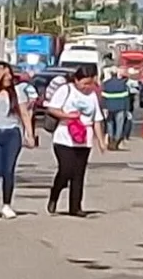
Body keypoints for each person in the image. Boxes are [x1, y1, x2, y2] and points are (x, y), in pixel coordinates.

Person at [45, 64, 106, 216]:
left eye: (90, 83)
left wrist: (101, 140)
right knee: (66, 170)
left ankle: (75, 207)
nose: (87, 87)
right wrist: (68, 116)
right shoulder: (66, 90)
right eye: (85, 83)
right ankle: (55, 193)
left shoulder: (92, 95)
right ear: (77, 80)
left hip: (84, 139)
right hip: (64, 137)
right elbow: (52, 108)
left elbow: (97, 119)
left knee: (78, 173)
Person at [0, 62, 36, 220]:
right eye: (4, 74)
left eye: (8, 74)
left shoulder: (17, 92)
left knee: (8, 170)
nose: (7, 77)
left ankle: (7, 204)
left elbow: (24, 114)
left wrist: (29, 134)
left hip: (12, 133)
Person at [100, 69, 133, 150]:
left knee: (109, 124)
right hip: (120, 107)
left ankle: (111, 139)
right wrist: (128, 109)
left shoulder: (106, 84)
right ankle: (116, 141)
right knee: (119, 125)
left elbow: (103, 97)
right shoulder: (122, 84)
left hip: (109, 108)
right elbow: (126, 98)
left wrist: (103, 108)